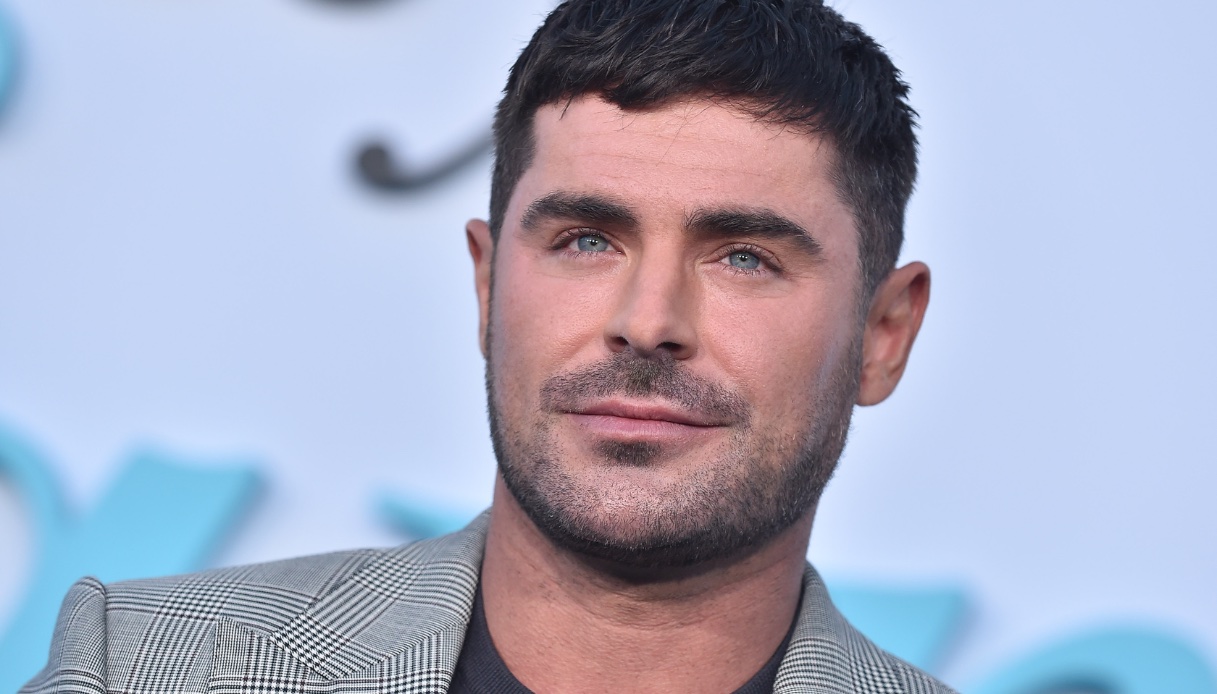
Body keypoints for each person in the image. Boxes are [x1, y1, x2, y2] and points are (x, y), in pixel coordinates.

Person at [22, 1, 950, 692]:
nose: (647, 320)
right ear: (487, 285)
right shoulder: (140, 668)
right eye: (585, 241)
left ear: (884, 336)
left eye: (744, 257)